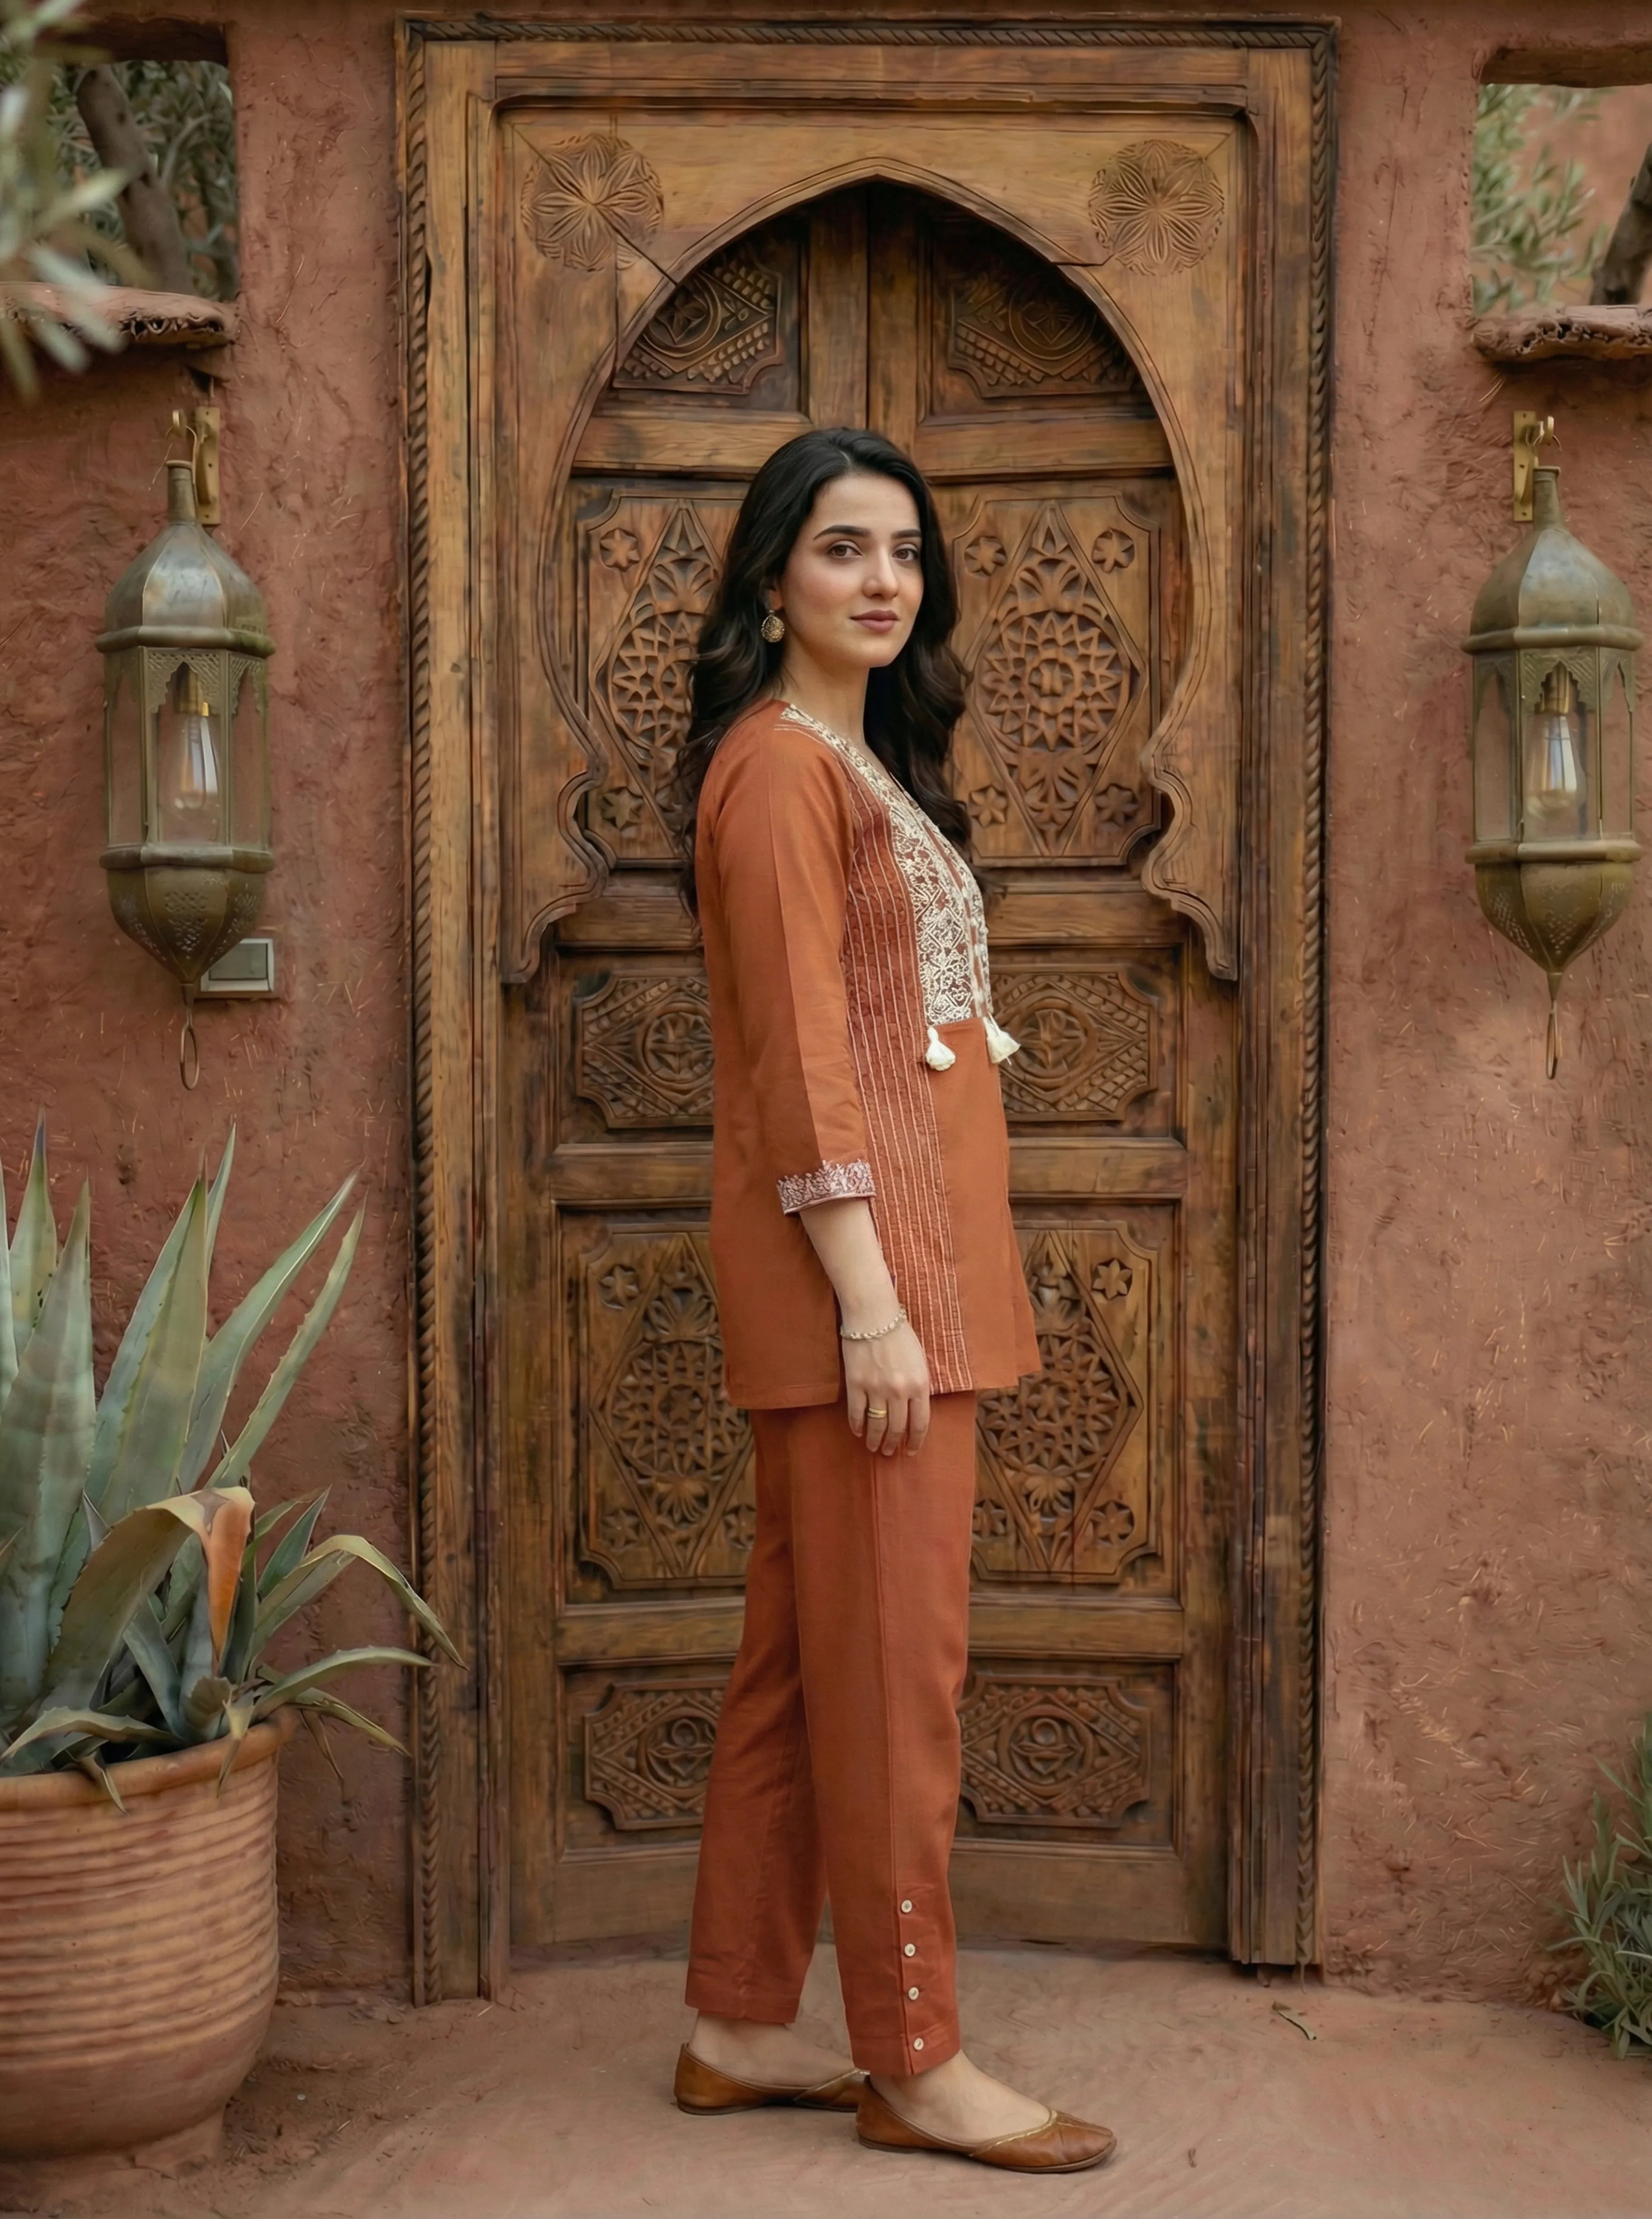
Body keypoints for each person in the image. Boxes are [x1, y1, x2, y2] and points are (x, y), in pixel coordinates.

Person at [667, 427, 1116, 2175]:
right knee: (894, 1688)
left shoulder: (858, 773)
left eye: (907, 554)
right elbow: (800, 1065)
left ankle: (730, 2020)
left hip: (903, 1285)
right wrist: (871, 1306)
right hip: (874, 1301)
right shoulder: (782, 774)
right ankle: (913, 2057)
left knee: (799, 1672)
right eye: (843, 548)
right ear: (772, 575)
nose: (881, 581)